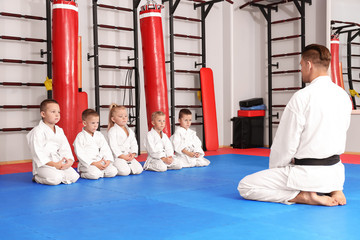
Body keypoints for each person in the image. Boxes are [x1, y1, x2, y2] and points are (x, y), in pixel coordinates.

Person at [237, 44, 352, 206]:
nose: (301, 70)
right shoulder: (343, 96)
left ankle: (302, 196)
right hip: (335, 173)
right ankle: (334, 189)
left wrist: (276, 168)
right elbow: (341, 131)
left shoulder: (302, 97)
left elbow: (286, 142)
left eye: (301, 65)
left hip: (306, 174)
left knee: (245, 186)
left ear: (308, 64)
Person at [26, 99, 80, 185]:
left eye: (58, 112)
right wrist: (54, 165)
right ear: (43, 114)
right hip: (44, 165)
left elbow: (65, 148)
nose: (57, 115)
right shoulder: (37, 131)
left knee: (74, 176)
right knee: (55, 179)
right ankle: (37, 178)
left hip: (58, 162)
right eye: (53, 112)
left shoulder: (59, 130)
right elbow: (38, 153)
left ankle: (59, 174)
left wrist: (69, 161)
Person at [73, 109, 118, 179]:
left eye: (97, 122)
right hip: (88, 164)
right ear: (85, 123)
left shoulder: (99, 135)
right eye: (93, 123)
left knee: (113, 171)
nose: (95, 125)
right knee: (95, 174)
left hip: (99, 161)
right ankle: (83, 174)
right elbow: (80, 153)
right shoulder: (80, 136)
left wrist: (107, 161)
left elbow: (105, 149)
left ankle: (100, 172)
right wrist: (94, 163)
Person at [107, 104, 143, 175]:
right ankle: (112, 166)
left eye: (125, 116)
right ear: (113, 119)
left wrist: (133, 154)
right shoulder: (112, 131)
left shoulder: (129, 130)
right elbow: (113, 147)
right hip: (118, 157)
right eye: (120, 116)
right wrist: (123, 156)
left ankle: (127, 164)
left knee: (139, 170)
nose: (124, 118)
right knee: (125, 172)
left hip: (128, 155)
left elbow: (134, 143)